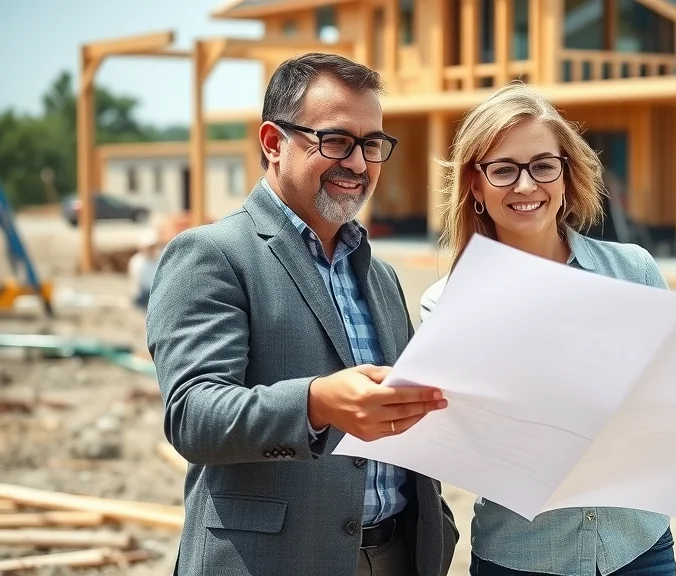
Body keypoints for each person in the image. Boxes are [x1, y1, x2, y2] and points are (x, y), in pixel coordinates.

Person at [419, 82, 676, 576]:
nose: (526, 186)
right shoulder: (446, 304)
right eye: (504, 169)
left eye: (543, 166)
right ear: (475, 184)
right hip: (523, 558)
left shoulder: (634, 270)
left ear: (566, 173)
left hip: (639, 550)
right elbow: (468, 445)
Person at [146, 53, 457, 576]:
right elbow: (193, 417)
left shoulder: (379, 276)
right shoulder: (213, 254)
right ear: (273, 143)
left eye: (372, 145)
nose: (358, 163)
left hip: (398, 555)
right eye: (335, 141)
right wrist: (316, 404)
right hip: (275, 560)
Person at [127, 229, 161, 311]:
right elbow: (136, 285)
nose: (150, 250)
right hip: (143, 294)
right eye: (148, 247)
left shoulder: (161, 258)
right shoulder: (137, 262)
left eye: (152, 247)